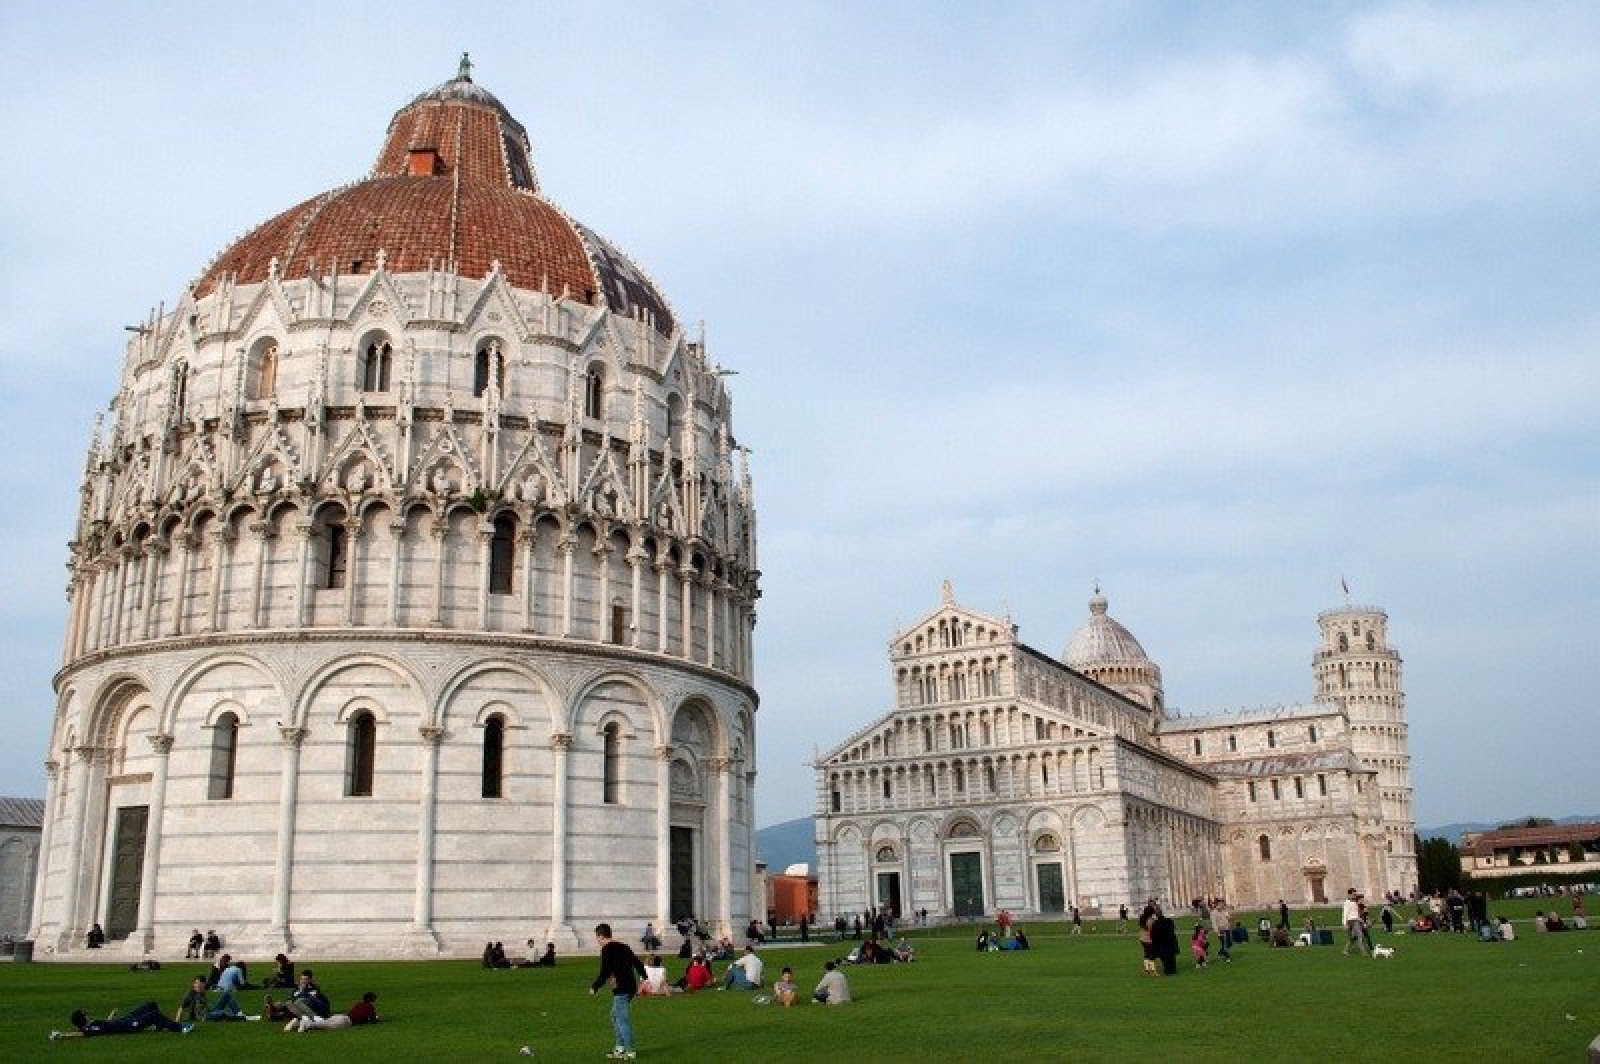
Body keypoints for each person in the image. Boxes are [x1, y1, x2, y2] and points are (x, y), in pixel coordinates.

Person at [590, 922, 646, 1061]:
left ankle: (630, 1050)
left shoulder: (607, 949)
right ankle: (620, 1048)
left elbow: (605, 972)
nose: (597, 941)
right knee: (615, 1016)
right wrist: (644, 976)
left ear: (601, 936)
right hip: (630, 986)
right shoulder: (624, 947)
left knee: (621, 1019)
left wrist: (595, 987)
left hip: (622, 988)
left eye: (597, 938)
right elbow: (637, 963)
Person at [51, 1003, 192, 1039]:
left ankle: (161, 1026)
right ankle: (180, 1028)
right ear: (82, 1020)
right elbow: (82, 1034)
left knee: (150, 1005)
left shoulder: (92, 1025)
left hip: (123, 1020)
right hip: (128, 1026)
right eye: (85, 1015)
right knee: (153, 1014)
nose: (87, 1015)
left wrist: (111, 1015)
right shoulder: (88, 1029)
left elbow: (106, 1025)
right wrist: (63, 1035)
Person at [297, 992, 378, 1032]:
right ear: (371, 1000)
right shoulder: (370, 1006)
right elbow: (373, 1020)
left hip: (341, 1016)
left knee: (324, 1022)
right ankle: (307, 1024)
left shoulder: (359, 1003)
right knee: (326, 1026)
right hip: (346, 1021)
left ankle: (297, 1023)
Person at [212, 954, 249, 1019]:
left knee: (227, 995)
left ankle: (239, 1014)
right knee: (223, 1014)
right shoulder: (238, 969)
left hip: (218, 987)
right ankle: (239, 1016)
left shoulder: (227, 968)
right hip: (205, 1015)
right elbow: (243, 983)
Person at [1151, 906, 1180, 975]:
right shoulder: (1169, 921)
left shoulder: (1155, 924)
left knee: (1164, 958)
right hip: (1170, 941)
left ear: (1156, 915)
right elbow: (1173, 929)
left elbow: (1153, 936)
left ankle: (1167, 970)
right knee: (1171, 957)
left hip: (1161, 943)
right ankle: (1173, 970)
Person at [1341, 889, 1370, 956]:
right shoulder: (1347, 902)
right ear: (1349, 894)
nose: (1354, 895)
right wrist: (1344, 924)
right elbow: (1345, 913)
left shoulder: (1355, 903)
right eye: (1353, 894)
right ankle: (1364, 952)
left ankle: (1345, 950)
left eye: (1355, 894)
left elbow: (1356, 914)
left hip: (1356, 921)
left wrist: (1362, 921)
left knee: (1356, 936)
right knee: (1359, 936)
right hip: (1350, 921)